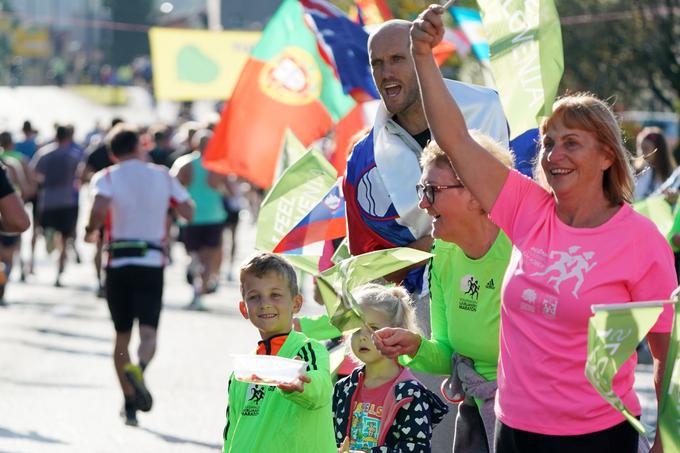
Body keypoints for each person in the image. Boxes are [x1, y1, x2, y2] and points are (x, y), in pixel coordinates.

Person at [400, 6, 676, 452]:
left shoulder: (641, 241)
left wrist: (667, 441)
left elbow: (668, 357)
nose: (553, 155)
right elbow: (455, 140)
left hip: (598, 436)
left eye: (571, 143)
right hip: (513, 430)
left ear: (607, 156)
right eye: (549, 143)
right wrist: (422, 55)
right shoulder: (529, 209)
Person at [343, 19, 508, 295]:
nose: (386, 73)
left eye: (397, 59)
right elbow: (365, 269)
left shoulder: (487, 109)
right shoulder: (361, 163)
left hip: (501, 285)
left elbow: (517, 209)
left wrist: (422, 245)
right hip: (423, 306)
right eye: (377, 63)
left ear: (423, 57)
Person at [375, 134, 514, 452]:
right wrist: (415, 346)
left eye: (432, 191)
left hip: (530, 419)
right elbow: (448, 350)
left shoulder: (523, 249)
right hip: (476, 412)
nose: (423, 203)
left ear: (477, 194)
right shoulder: (444, 252)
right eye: (421, 190)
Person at [84, 124, 193, 426]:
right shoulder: (162, 175)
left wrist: (91, 231)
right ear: (140, 145)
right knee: (148, 334)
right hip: (151, 261)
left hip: (118, 262)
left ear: (112, 153)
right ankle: (140, 369)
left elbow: (98, 207)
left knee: (121, 337)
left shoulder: (105, 176)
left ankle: (130, 403)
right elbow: (188, 211)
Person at [223, 252, 336, 452]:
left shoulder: (309, 349)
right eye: (254, 297)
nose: (265, 303)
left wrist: (303, 385)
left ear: (297, 303)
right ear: (244, 308)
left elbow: (321, 390)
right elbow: (231, 431)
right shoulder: (241, 372)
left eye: (275, 295)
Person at [333, 283, 448, 452]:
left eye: (373, 329)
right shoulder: (343, 388)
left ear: (396, 332)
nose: (362, 337)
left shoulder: (410, 393)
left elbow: (416, 448)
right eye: (357, 329)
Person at [171, 129, 229, 309]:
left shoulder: (184, 163)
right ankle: (200, 294)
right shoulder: (217, 165)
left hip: (191, 217)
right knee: (209, 258)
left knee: (193, 254)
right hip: (214, 216)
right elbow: (229, 189)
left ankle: (193, 270)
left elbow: (172, 186)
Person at [30, 124, 85, 287]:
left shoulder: (44, 153)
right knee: (65, 237)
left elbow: (34, 174)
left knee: (42, 230)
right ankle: (59, 272)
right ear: (68, 137)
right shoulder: (74, 155)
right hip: (67, 200)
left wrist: (45, 182)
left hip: (47, 200)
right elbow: (80, 176)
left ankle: (37, 259)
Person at [633, 126, 675, 200]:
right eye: (640, 148)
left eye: (646, 148)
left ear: (659, 150)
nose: (642, 153)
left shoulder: (671, 177)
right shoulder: (636, 174)